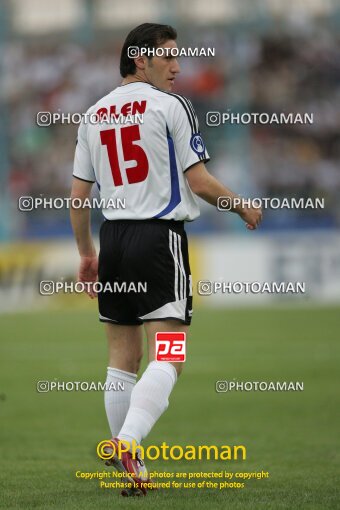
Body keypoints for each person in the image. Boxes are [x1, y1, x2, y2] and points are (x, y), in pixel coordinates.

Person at [70, 22, 262, 497]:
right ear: (141, 59)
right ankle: (129, 444)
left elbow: (77, 197)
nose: (178, 67)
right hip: (159, 239)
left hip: (112, 240)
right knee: (171, 353)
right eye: (170, 56)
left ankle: (123, 455)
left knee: (121, 359)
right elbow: (198, 183)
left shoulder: (93, 114)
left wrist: (86, 254)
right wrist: (241, 203)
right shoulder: (171, 106)